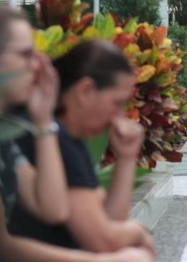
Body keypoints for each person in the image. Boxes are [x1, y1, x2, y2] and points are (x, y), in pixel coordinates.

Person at [0, 6, 153, 262]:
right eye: (116, 102)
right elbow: (102, 240)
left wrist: (126, 157)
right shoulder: (43, 134)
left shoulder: (50, 132)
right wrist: (137, 234)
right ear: (85, 91)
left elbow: (57, 210)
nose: (36, 65)